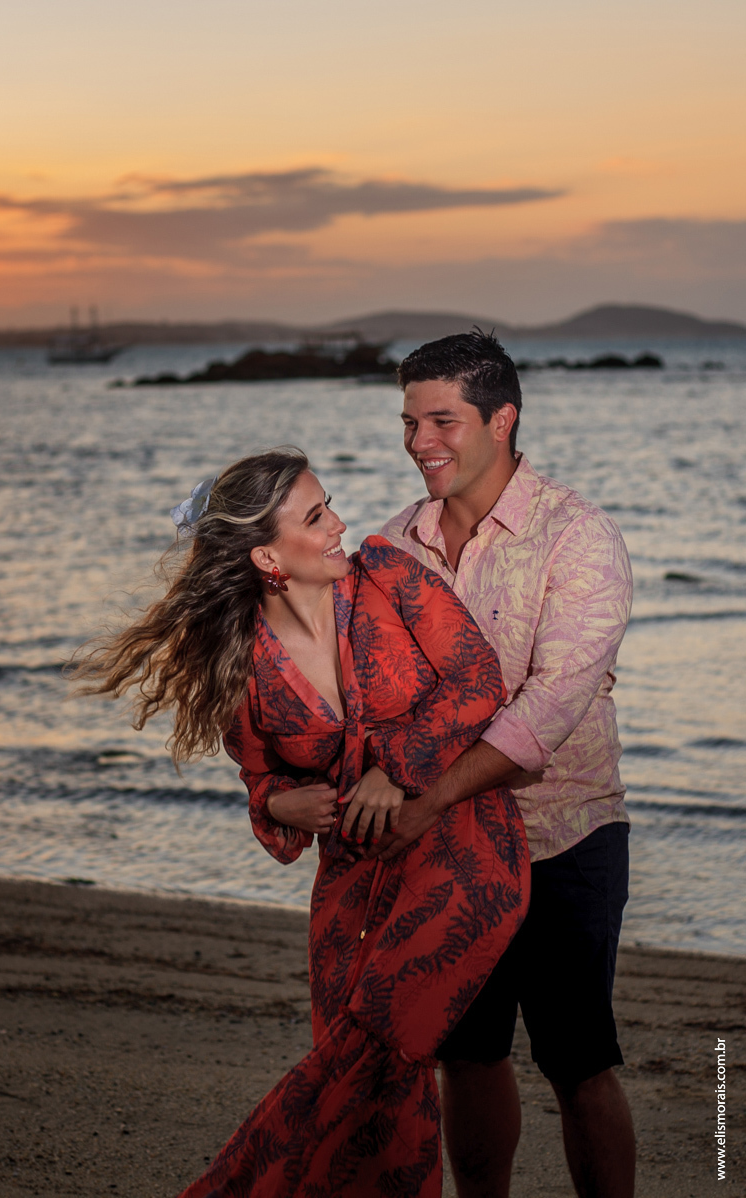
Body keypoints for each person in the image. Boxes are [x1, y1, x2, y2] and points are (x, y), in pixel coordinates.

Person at [72, 446, 528, 1198]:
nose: (340, 524)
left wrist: (396, 768)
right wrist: (278, 804)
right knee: (381, 1078)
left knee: (377, 1042)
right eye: (316, 518)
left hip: (463, 852)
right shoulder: (240, 661)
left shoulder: (386, 572)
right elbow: (260, 773)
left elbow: (479, 678)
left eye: (329, 506)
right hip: (350, 884)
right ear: (265, 556)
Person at [377, 330, 636, 1198]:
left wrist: (426, 791)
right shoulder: (389, 548)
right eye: (409, 423)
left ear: (502, 418)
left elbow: (553, 704)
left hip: (567, 836)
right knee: (467, 1050)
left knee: (579, 1059)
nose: (420, 443)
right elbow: (367, 694)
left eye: (441, 420)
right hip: (446, 846)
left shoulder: (579, 537)